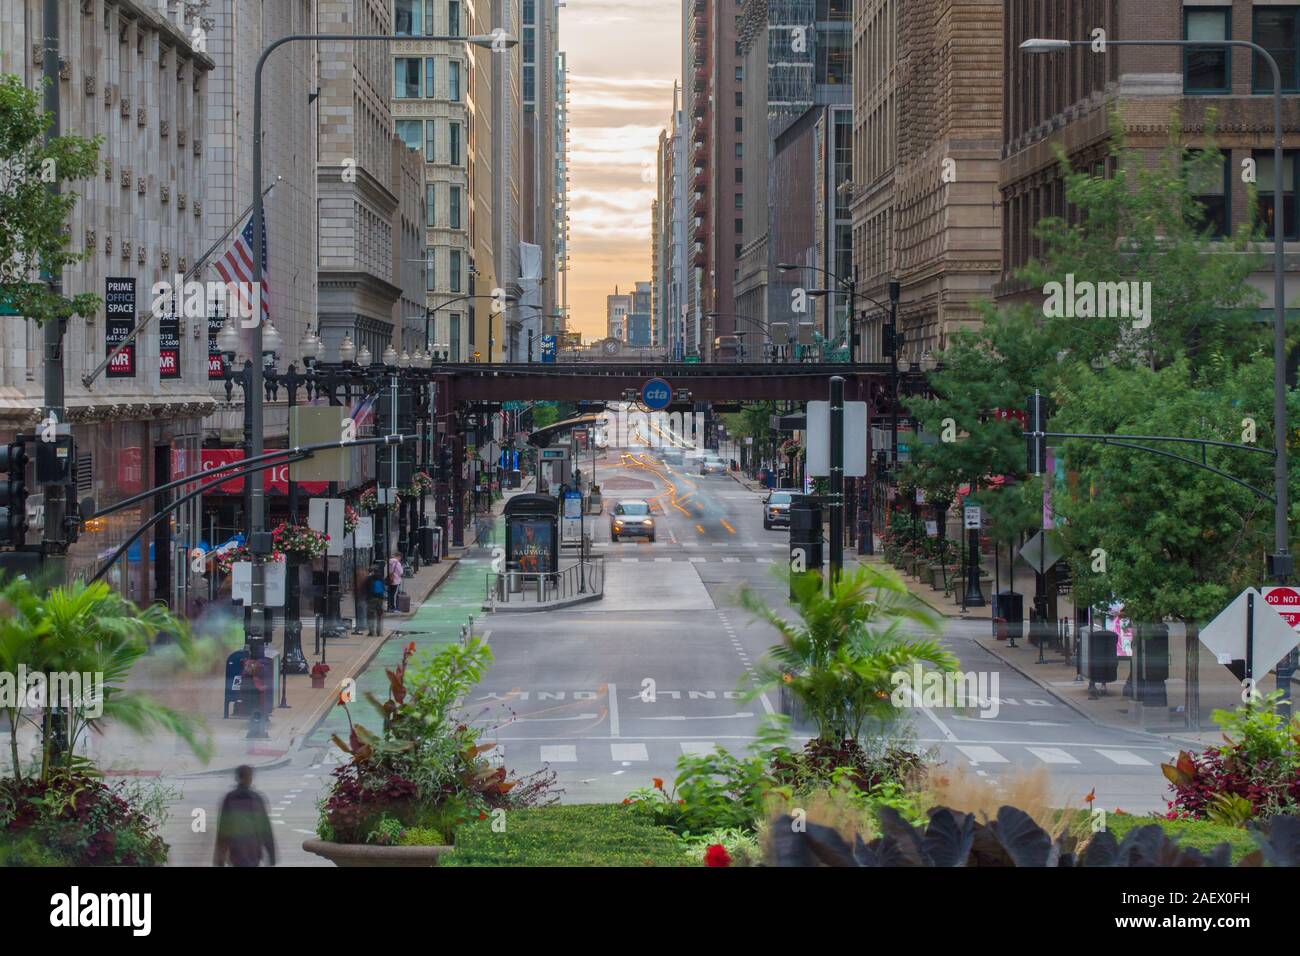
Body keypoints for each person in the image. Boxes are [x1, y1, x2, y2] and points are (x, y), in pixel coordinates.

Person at [213, 765, 276, 867]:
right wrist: (271, 856)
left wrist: (219, 859)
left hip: (236, 851)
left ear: (238, 778)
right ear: (250, 778)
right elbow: (266, 829)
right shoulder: (257, 799)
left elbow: (222, 831)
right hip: (253, 851)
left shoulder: (229, 799)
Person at [365, 562, 386, 635]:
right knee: (379, 616)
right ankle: (379, 632)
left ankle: (371, 631)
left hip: (371, 599)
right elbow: (383, 588)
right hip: (380, 599)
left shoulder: (369, 578)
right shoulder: (381, 578)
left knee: (370, 615)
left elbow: (365, 589)